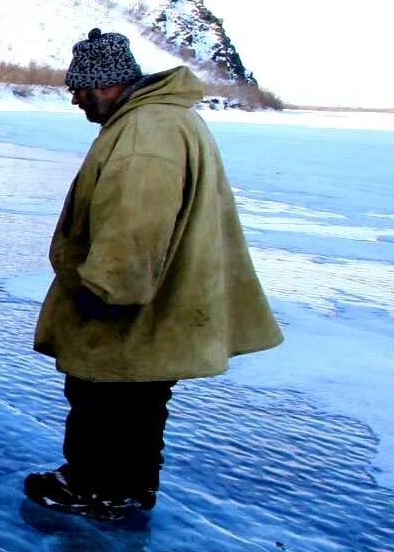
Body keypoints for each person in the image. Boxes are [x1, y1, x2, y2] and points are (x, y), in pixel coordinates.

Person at [27, 29, 282, 519]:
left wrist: (105, 293)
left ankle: (96, 487)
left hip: (134, 305)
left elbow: (135, 224)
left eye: (79, 88)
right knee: (139, 402)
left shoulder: (145, 135)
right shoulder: (163, 120)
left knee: (105, 393)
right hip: (165, 299)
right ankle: (130, 485)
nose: (75, 98)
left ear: (107, 85)